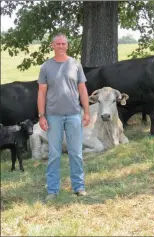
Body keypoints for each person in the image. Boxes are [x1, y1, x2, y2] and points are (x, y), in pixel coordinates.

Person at [37, 33, 90, 201]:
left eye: (64, 43)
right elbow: (41, 93)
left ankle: (79, 187)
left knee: (76, 153)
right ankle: (52, 190)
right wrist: (41, 116)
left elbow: (82, 90)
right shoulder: (46, 67)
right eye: (58, 44)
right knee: (54, 154)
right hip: (53, 116)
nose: (61, 46)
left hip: (74, 114)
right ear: (52, 46)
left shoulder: (75, 64)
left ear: (67, 45)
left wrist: (86, 112)